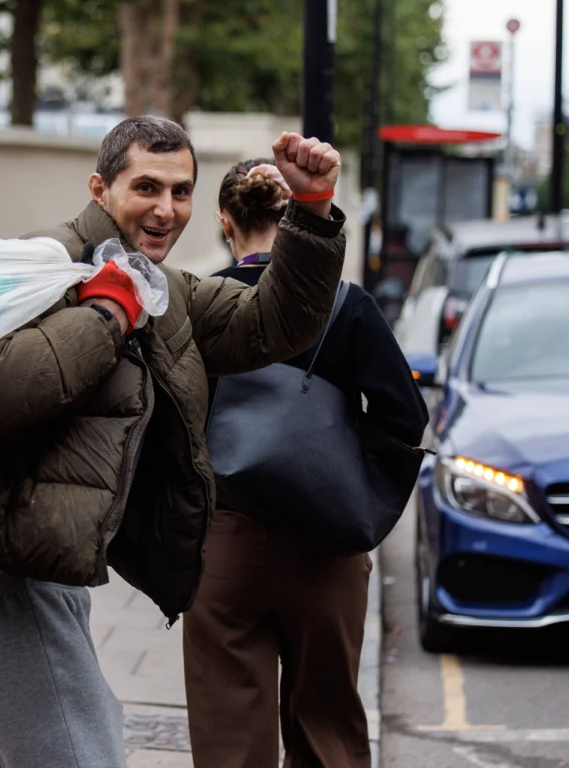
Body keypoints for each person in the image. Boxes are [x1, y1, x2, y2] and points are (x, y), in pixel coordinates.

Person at [0, 117, 348, 767]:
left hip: (50, 577)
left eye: (181, 192)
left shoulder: (165, 292)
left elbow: (272, 325)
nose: (166, 209)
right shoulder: (46, 264)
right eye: (146, 187)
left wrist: (314, 211)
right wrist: (106, 314)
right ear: (100, 188)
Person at [182, 159, 429, 768]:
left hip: (224, 539)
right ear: (294, 216)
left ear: (224, 222)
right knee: (326, 726)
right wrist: (351, 482)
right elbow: (405, 415)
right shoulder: (348, 305)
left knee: (228, 733)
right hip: (327, 541)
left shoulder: (199, 303)